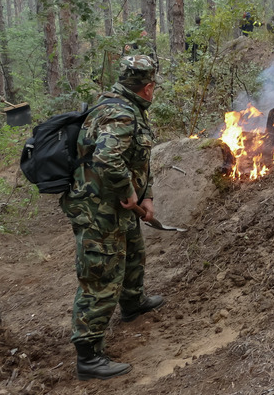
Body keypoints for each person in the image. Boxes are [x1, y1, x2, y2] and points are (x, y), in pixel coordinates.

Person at [60, 55, 166, 381]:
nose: (154, 90)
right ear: (147, 87)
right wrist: (127, 190)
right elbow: (107, 158)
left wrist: (144, 194)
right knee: (101, 274)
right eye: (154, 85)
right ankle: (89, 355)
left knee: (133, 250)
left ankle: (133, 302)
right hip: (96, 208)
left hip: (115, 205)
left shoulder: (126, 105)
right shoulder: (119, 112)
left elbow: (138, 160)